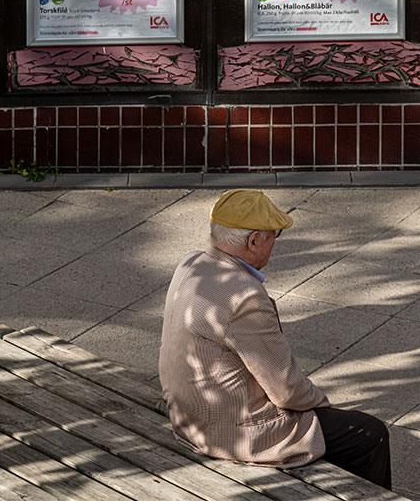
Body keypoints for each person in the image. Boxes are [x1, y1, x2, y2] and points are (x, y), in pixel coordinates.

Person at [159, 189, 391, 489]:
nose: (274, 242)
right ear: (254, 240)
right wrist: (322, 406)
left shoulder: (190, 264)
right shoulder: (243, 295)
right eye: (273, 235)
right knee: (369, 433)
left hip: (187, 416)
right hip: (230, 434)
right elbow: (287, 390)